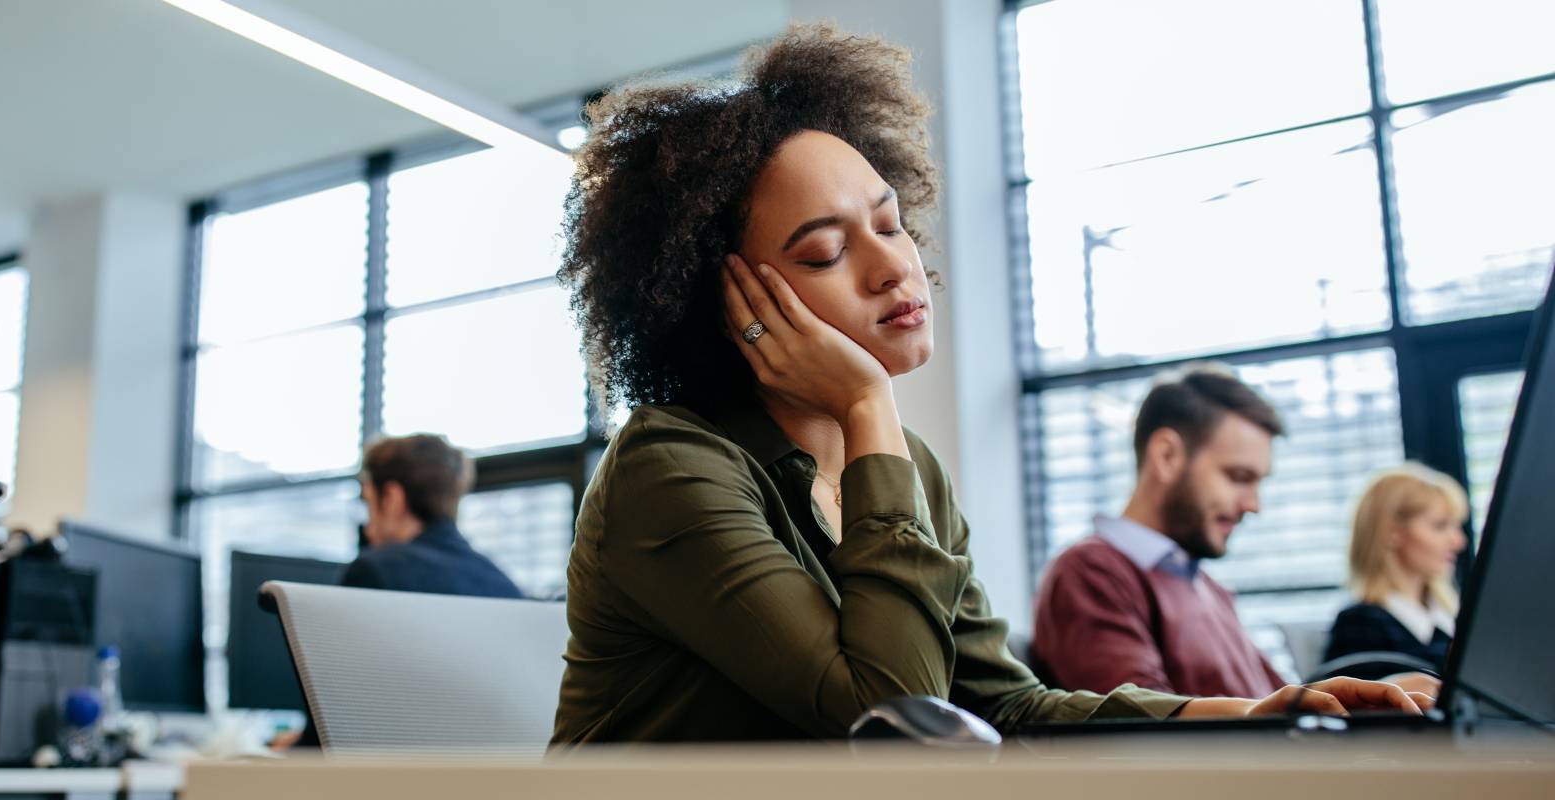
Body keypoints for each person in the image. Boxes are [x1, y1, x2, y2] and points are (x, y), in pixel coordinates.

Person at [549, 23, 1427, 745]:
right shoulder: (670, 468)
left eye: (890, 224)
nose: (895, 267)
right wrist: (866, 405)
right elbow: (896, 717)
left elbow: (1001, 706)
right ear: (729, 302)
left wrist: (1246, 715)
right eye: (824, 251)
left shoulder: (908, 469)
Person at [1032, 364, 1289, 699]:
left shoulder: (1205, 585)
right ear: (1167, 456)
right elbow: (1147, 729)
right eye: (1239, 477)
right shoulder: (1091, 573)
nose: (1254, 504)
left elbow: (1280, 703)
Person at [1322, 464, 1467, 681]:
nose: (1458, 542)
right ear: (1392, 532)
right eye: (1440, 526)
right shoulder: (1360, 626)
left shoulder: (1451, 618)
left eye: (1456, 526)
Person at [340, 434, 521, 599]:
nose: (368, 528)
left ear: (391, 498)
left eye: (368, 502)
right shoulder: (504, 585)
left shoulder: (374, 571)